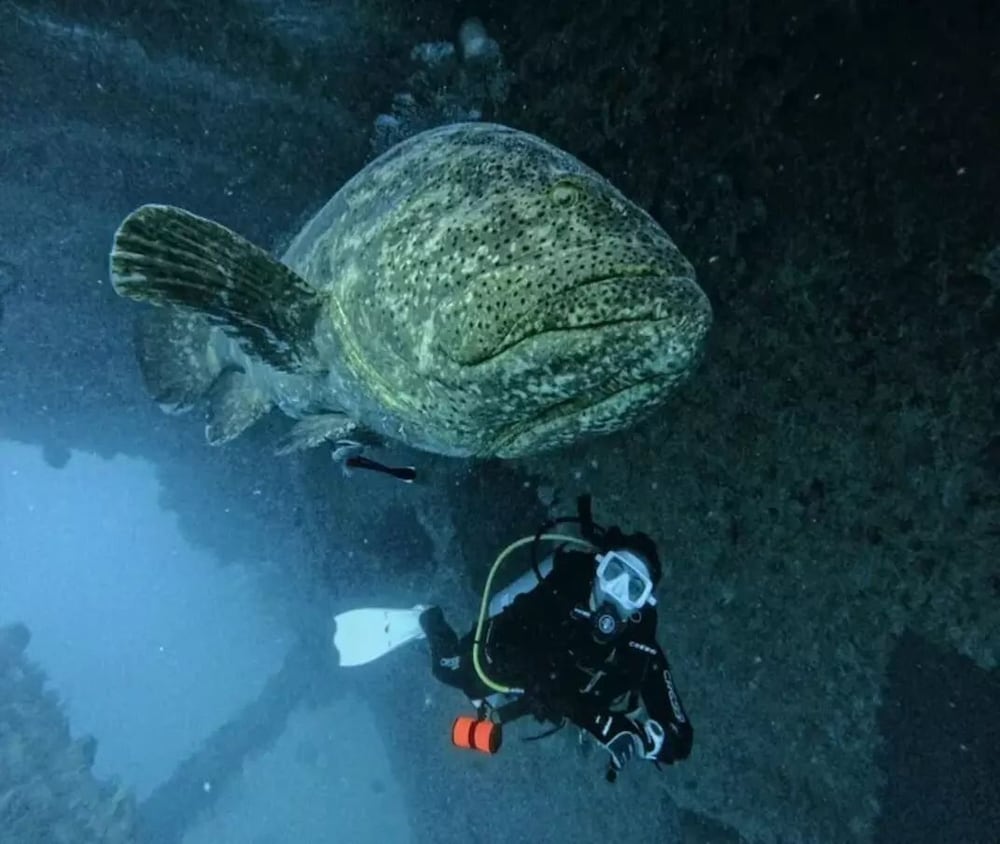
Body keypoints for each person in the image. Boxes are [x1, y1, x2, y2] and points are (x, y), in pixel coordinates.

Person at [418, 515, 693, 777]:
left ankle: (496, 701)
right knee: (448, 670)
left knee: (508, 699)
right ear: (599, 567)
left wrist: (645, 739)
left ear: (641, 605)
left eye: (634, 588)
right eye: (614, 572)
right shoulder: (566, 585)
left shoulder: (638, 641)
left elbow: (680, 737)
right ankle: (427, 616)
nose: (615, 591)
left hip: (553, 694)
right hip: (514, 653)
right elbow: (518, 641)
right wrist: (602, 724)